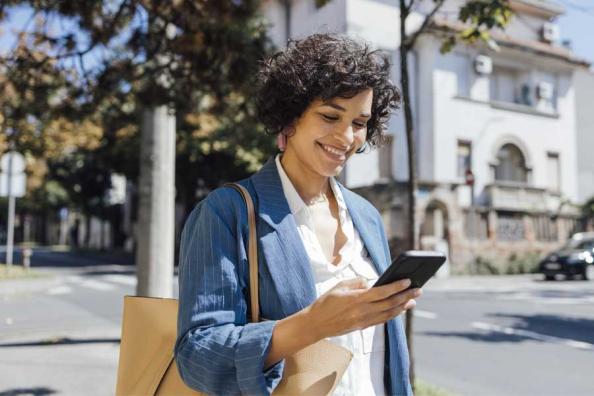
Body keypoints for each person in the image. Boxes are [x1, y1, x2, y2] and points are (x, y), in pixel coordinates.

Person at [175, 33, 421, 396]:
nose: (346, 136)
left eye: (359, 122)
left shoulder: (366, 215)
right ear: (290, 118)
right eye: (330, 115)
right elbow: (196, 355)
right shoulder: (226, 213)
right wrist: (312, 325)